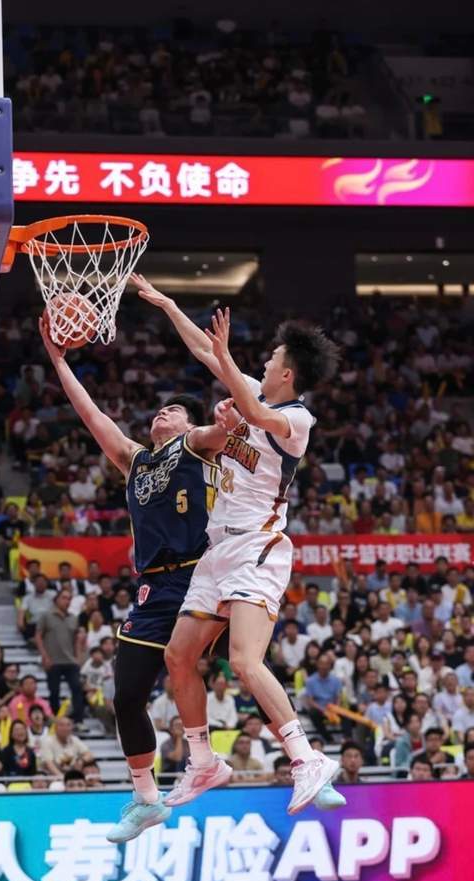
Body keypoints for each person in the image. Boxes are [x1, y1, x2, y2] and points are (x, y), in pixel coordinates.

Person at [137, 277, 342, 815]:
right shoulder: (252, 391)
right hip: (217, 551)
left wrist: (227, 363)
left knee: (245, 660)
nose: (266, 362)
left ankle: (306, 758)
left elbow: (258, 415)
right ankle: (204, 761)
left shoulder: (296, 418)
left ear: (287, 373)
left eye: (273, 358)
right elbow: (204, 351)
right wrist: (169, 305)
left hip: (258, 547)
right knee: (178, 656)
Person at [39, 310, 226, 844]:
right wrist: (57, 358)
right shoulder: (135, 459)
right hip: (153, 589)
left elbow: (228, 427)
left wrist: (230, 402)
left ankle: (287, 754)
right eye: (160, 409)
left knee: (244, 663)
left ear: (188, 425)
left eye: (174, 409)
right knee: (125, 696)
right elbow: (90, 413)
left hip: (201, 577)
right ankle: (147, 798)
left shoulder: (199, 445)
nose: (162, 411)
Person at [35, 591, 86, 722]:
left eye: (69, 598)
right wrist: (44, 656)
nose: (67, 601)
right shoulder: (46, 616)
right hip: (53, 660)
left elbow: (76, 640)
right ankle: (56, 719)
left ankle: (78, 719)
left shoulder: (73, 618)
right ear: (56, 600)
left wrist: (78, 658)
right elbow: (38, 636)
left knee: (77, 688)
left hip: (70, 660)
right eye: (64, 598)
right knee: (54, 691)